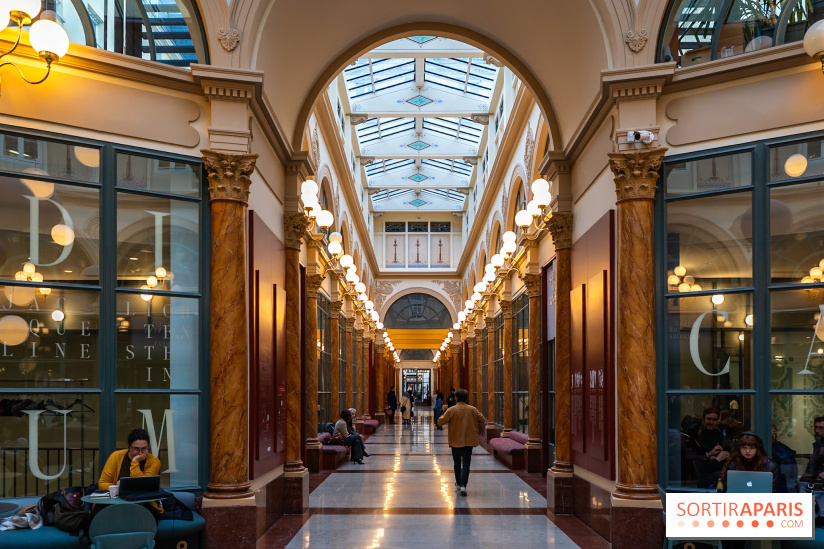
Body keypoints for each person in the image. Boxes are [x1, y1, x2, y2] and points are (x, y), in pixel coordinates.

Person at [98, 428, 163, 515]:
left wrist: (135, 461)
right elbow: (102, 483)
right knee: (99, 513)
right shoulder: (116, 457)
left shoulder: (154, 461)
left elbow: (143, 486)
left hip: (144, 501)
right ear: (129, 446)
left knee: (144, 514)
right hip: (116, 500)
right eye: (136, 449)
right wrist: (116, 488)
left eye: (144, 449)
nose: (140, 453)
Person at [437, 388, 486, 496]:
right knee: (466, 463)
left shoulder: (452, 410)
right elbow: (482, 419)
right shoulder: (472, 409)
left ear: (456, 398)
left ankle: (458, 483)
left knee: (457, 463)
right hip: (469, 440)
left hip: (455, 440)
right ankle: (463, 485)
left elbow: (440, 421)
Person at [800, 416, 824, 483]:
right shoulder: (817, 446)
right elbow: (810, 469)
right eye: (815, 427)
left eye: (821, 428)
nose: (816, 430)